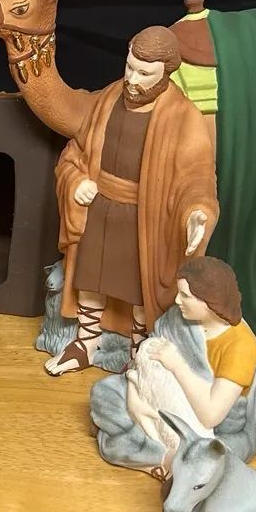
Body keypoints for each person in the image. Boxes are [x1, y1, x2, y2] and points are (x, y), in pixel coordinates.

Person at [46, 26, 220, 376]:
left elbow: (197, 176)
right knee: (90, 278)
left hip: (145, 218)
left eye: (144, 73)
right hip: (99, 208)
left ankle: (139, 347)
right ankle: (86, 341)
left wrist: (197, 212)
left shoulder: (182, 115)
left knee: (140, 286)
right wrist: (77, 181)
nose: (132, 79)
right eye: (129, 67)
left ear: (166, 73)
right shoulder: (109, 98)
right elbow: (77, 151)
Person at [90, 256, 256, 479]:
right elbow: (143, 361)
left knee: (210, 455)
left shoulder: (241, 345)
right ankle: (165, 456)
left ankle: (156, 456)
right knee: (104, 393)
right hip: (155, 397)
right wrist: (134, 401)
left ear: (209, 301)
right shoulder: (179, 318)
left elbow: (211, 416)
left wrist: (177, 365)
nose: (177, 300)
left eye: (185, 295)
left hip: (211, 427)